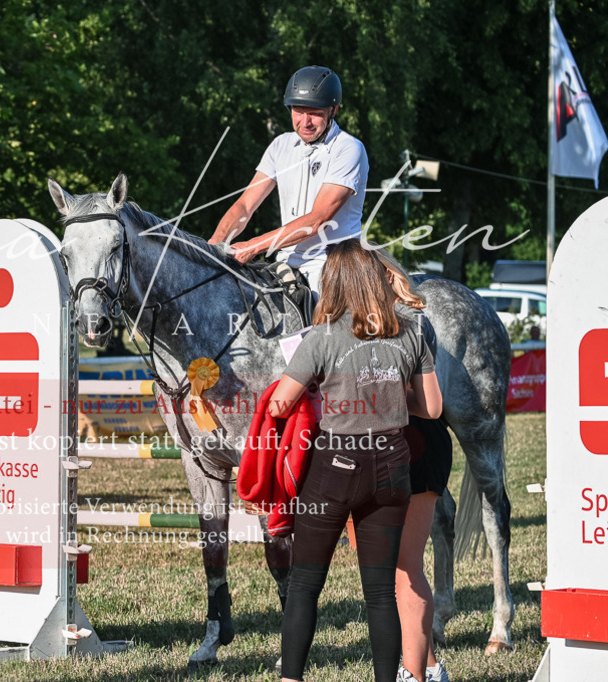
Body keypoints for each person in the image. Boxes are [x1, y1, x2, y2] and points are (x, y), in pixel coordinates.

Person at [267, 240, 443, 682]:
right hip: (392, 466)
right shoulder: (411, 331)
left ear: (336, 283)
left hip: (336, 467)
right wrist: (387, 395)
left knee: (306, 585)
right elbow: (432, 408)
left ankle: (291, 679)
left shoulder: (322, 336)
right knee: (381, 593)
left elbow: (280, 404)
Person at [209, 65, 369, 295]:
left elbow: (317, 220)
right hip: (283, 264)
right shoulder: (280, 145)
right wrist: (215, 244)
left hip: (333, 267)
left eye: (314, 112)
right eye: (297, 110)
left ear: (333, 110)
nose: (304, 122)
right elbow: (245, 204)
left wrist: (253, 246)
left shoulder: (349, 149)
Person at [374, 250, 452, 682]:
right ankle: (428, 665)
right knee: (388, 569)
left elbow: (429, 405)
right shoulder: (350, 324)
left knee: (405, 564)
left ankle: (414, 673)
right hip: (374, 449)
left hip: (415, 444)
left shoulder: (410, 322)